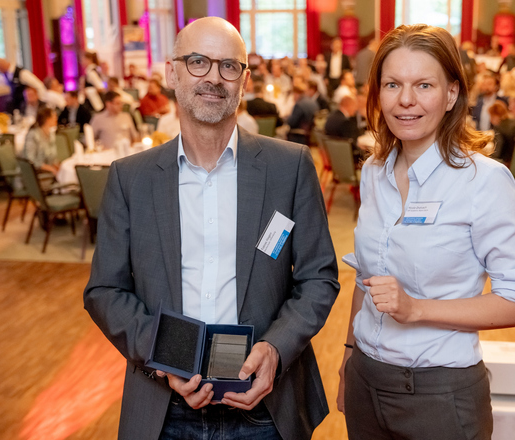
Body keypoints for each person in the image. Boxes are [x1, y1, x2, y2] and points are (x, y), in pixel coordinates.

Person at [83, 17, 339, 440]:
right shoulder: (131, 177)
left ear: (245, 79)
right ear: (172, 72)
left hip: (265, 406)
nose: (213, 78)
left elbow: (319, 278)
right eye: (197, 61)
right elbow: (104, 291)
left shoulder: (289, 167)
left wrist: (276, 349)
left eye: (228, 66)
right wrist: (167, 355)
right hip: (164, 409)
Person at [337, 24, 515, 440]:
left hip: (440, 393)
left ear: (452, 94)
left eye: (424, 84)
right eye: (392, 84)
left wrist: (418, 309)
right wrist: (347, 358)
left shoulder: (482, 180)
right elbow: (367, 277)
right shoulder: (375, 171)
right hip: (365, 380)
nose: (406, 100)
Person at [23, 107, 60, 175]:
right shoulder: (33, 135)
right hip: (35, 175)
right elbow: (30, 160)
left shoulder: (50, 134)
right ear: (47, 119)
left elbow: (52, 157)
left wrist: (56, 166)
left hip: (48, 173)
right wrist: (49, 168)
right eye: (54, 116)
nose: (56, 118)